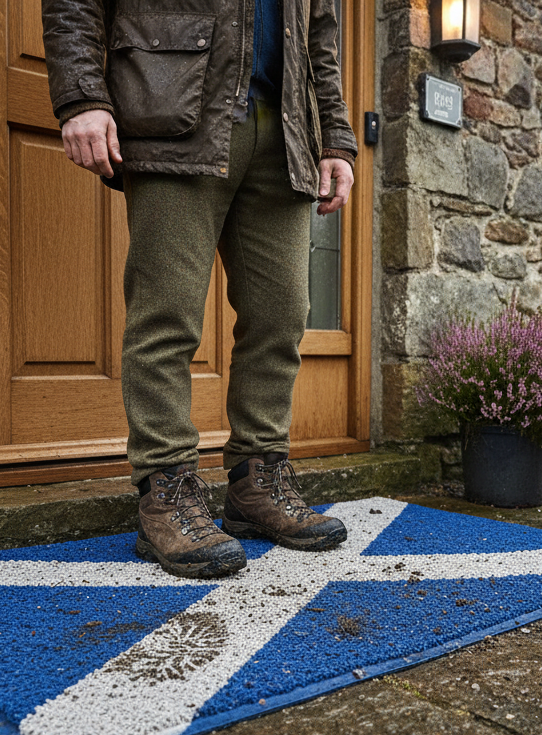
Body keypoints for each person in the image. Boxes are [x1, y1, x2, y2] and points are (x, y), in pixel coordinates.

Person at [42, 1, 357, 579]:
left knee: (281, 317)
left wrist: (335, 137)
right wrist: (83, 96)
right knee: (167, 315)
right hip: (177, 108)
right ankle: (165, 490)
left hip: (288, 129)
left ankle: (256, 482)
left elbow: (322, 34)